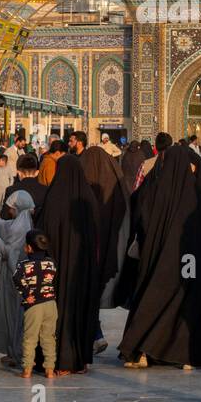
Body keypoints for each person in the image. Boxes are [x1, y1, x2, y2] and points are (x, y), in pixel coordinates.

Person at [118, 143, 201, 369]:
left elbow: (137, 210)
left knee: (152, 299)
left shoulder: (154, 188)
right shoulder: (195, 194)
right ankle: (185, 356)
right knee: (186, 301)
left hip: (158, 260)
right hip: (189, 263)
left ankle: (144, 350)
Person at [32, 153, 101, 375]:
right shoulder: (88, 198)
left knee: (57, 313)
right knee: (80, 310)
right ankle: (79, 360)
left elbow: (43, 235)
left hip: (57, 270)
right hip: (83, 269)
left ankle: (59, 361)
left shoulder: (53, 198)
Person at [79, 142, 129, 340]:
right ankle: (95, 332)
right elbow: (123, 210)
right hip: (107, 247)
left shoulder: (79, 183)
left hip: (82, 250)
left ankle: (92, 332)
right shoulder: (113, 181)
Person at [0, 189, 36, 367]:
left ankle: (16, 352)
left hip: (14, 278)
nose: (9, 211)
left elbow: (9, 252)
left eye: (11, 207)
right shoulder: (23, 222)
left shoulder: (19, 227)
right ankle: (13, 350)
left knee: (13, 314)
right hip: (17, 277)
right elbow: (4, 226)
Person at [15, 231, 59, 378]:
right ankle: (50, 369)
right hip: (50, 304)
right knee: (49, 337)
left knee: (30, 337)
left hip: (34, 307)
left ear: (28, 248)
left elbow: (16, 280)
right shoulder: (51, 263)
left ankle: (27, 369)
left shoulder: (23, 265)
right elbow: (52, 277)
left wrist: (27, 295)